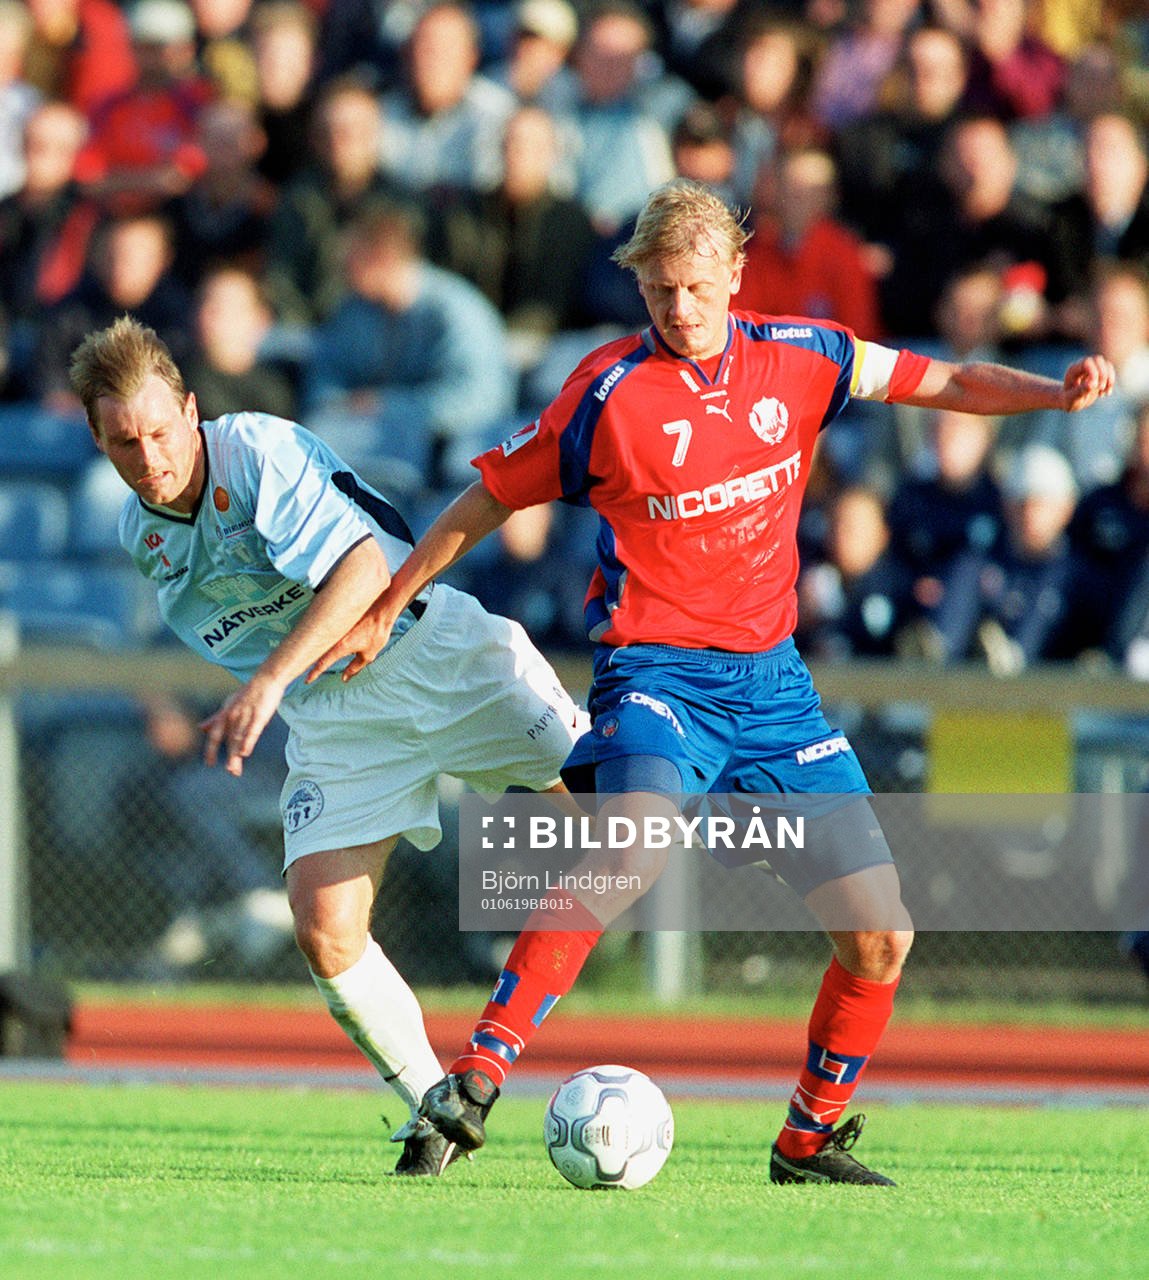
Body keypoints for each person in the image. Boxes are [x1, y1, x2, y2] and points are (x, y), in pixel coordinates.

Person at [310, 179, 1115, 1184]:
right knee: (634, 836)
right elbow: (487, 499)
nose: (678, 308)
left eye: (694, 286)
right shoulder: (605, 391)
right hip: (656, 672)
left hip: (774, 690)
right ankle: (477, 1070)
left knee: (881, 934)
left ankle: (807, 1138)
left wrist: (1053, 393)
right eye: (658, 291)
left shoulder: (808, 354)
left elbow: (943, 381)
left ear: (736, 274)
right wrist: (387, 605)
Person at [67, 315, 587, 1176]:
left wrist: (267, 682)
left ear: (191, 409)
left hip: (434, 653)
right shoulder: (144, 537)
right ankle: (437, 1106)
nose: (148, 456)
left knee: (638, 826)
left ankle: (827, 866)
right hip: (338, 714)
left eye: (160, 431)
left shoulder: (257, 451)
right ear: (97, 438)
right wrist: (287, 683)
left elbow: (363, 571)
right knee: (325, 928)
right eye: (123, 442)